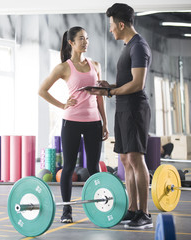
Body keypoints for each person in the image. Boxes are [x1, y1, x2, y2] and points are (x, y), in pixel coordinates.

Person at [88, 3, 153, 229]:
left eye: (111, 25)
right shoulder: (128, 46)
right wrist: (109, 87)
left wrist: (112, 91)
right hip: (124, 108)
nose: (110, 29)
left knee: (136, 159)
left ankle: (144, 213)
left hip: (135, 109)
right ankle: (133, 209)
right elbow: (127, 82)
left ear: (121, 24)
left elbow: (138, 83)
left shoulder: (138, 46)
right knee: (125, 160)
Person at [38, 26, 108, 223]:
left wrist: (105, 122)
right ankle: (66, 211)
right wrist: (62, 105)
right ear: (71, 43)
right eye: (81, 39)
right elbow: (42, 90)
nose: (85, 42)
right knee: (68, 167)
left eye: (87, 38)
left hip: (94, 121)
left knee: (94, 167)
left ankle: (100, 207)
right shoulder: (64, 67)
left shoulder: (96, 64)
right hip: (72, 121)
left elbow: (100, 96)